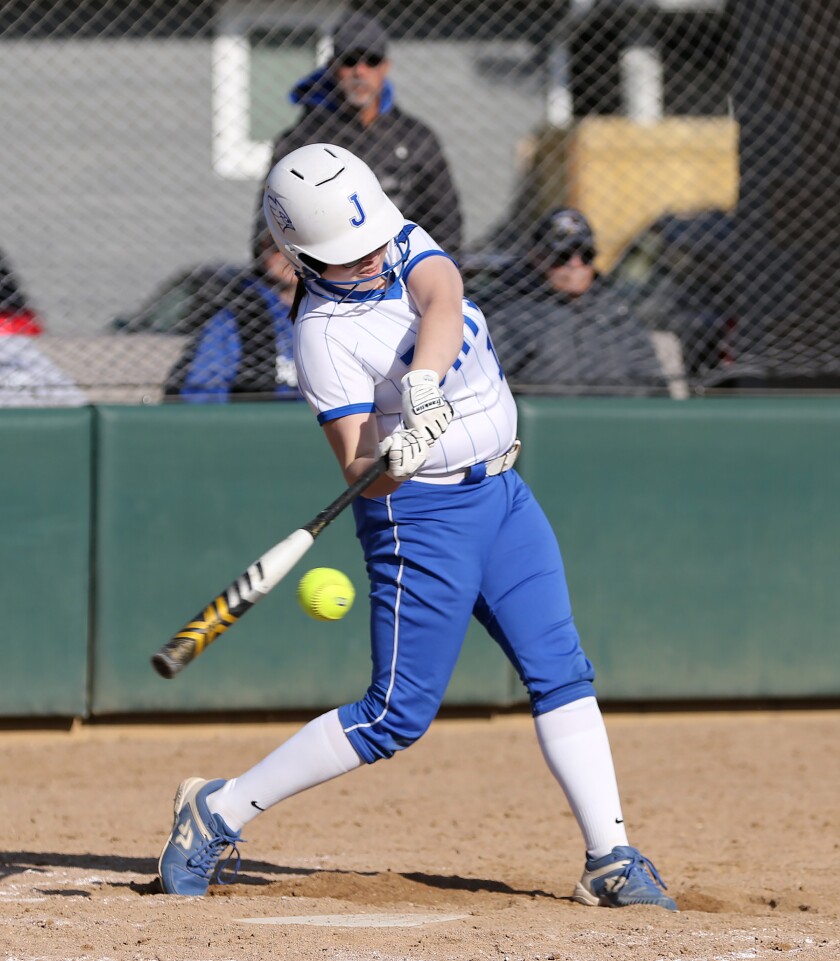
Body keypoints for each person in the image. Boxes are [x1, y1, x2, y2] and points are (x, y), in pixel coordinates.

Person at [157, 143, 677, 912]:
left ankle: (609, 855)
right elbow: (359, 463)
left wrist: (424, 382)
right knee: (395, 714)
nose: (368, 262)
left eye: (370, 246)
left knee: (560, 669)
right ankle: (218, 810)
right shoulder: (323, 338)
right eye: (346, 257)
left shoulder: (395, 237)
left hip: (503, 492)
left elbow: (441, 291)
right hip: (421, 516)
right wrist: (399, 449)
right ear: (299, 255)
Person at [253, 10, 462, 258]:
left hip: (404, 270)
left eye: (371, 60)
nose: (360, 71)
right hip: (327, 276)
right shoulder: (301, 143)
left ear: (385, 67)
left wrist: (428, 273)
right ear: (333, 67)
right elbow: (270, 230)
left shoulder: (417, 138)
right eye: (350, 60)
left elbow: (446, 221)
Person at [483, 208, 669, 396]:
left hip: (619, 419)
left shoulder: (615, 309)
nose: (576, 264)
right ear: (536, 256)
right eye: (562, 255)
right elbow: (486, 387)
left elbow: (652, 379)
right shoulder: (509, 312)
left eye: (586, 255)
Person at [164, 219, 302, 402]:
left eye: (300, 246)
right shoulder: (239, 316)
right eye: (277, 246)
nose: (290, 256)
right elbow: (201, 393)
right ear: (261, 249)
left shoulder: (336, 309)